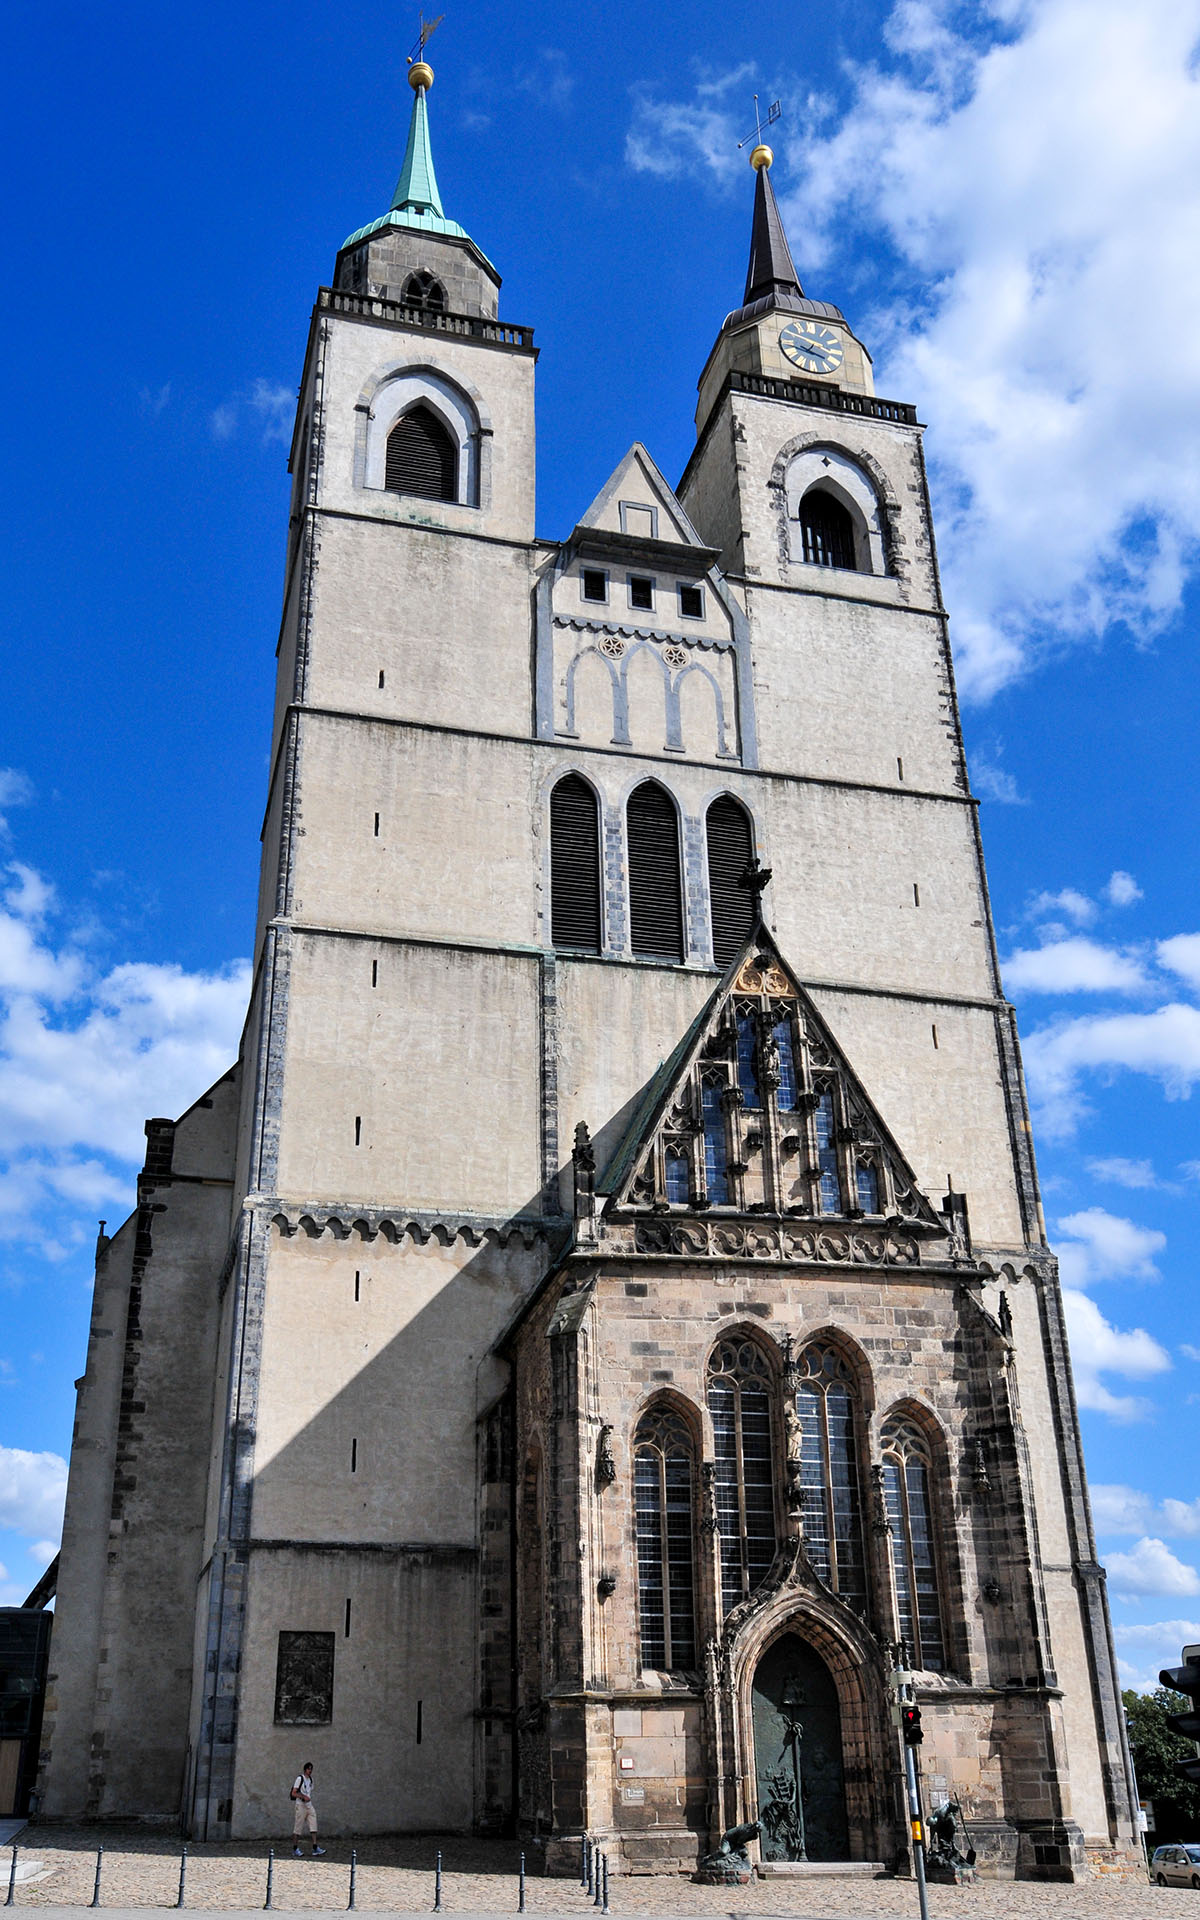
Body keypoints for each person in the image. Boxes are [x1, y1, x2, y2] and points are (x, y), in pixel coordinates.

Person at [290, 1761, 326, 1857]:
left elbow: (309, 1791)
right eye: (308, 1769)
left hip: (309, 1805)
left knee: (313, 1824)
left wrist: (307, 1798)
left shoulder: (310, 1780)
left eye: (311, 1769)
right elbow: (293, 1793)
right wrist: (303, 1796)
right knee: (298, 1827)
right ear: (305, 1769)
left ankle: (315, 1847)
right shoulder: (299, 1779)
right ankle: (295, 1848)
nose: (310, 1771)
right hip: (301, 1805)